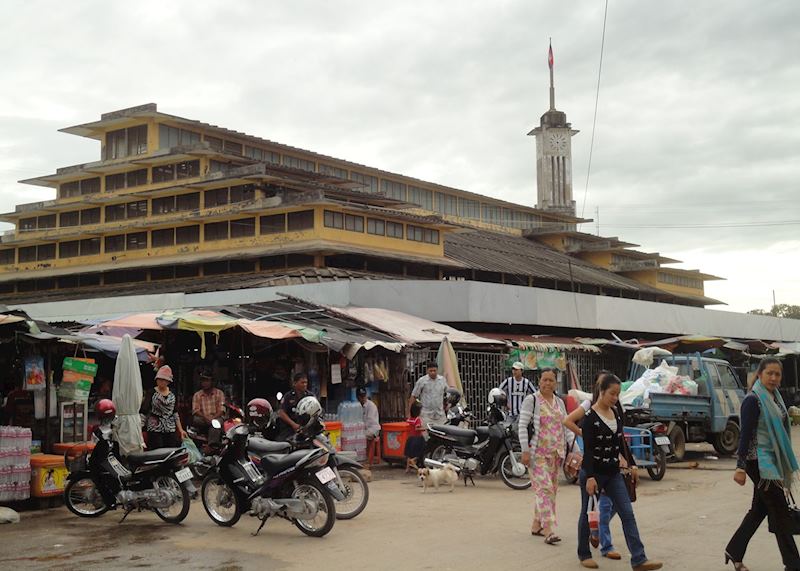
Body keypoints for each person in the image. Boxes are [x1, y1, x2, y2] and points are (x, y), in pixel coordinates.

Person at [577, 372, 662, 571]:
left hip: (613, 472)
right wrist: (589, 476)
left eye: (617, 394)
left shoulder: (615, 413)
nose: (615, 398)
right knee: (587, 513)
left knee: (627, 513)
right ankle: (584, 553)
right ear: (602, 392)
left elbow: (621, 441)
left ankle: (639, 559)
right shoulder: (590, 418)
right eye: (612, 394)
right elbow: (588, 450)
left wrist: (632, 465)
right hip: (593, 473)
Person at [725, 357, 800, 571]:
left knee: (759, 510)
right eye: (770, 373)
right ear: (760, 374)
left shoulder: (775, 397)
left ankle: (734, 550)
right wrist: (740, 466)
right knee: (780, 511)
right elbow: (745, 434)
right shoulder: (753, 399)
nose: (774, 378)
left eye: (777, 374)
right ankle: (794, 564)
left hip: (772, 461)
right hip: (758, 462)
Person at [563, 370, 633, 561]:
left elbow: (618, 436)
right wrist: (585, 434)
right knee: (590, 509)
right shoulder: (589, 407)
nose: (614, 395)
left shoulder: (616, 407)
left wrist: (625, 458)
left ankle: (605, 542)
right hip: (593, 464)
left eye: (616, 391)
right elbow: (567, 420)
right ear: (599, 388)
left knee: (615, 507)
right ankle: (587, 549)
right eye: (609, 389)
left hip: (612, 466)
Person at [518, 368, 572, 545]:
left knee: (550, 491)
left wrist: (575, 450)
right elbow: (522, 426)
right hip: (537, 455)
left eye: (551, 380)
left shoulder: (559, 403)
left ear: (556, 383)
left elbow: (566, 427)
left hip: (556, 454)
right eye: (545, 380)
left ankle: (536, 525)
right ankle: (548, 529)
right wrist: (525, 450)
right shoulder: (532, 400)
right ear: (539, 381)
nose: (548, 383)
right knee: (545, 489)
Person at [143, 365, 187, 449]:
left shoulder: (172, 393)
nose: (161, 381)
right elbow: (144, 411)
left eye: (164, 380)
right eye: (159, 379)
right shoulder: (151, 392)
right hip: (154, 428)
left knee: (171, 451)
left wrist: (181, 430)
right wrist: (139, 428)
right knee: (157, 451)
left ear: (168, 381)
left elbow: (175, 412)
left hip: (170, 428)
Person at [408, 362, 448, 434]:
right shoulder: (422, 381)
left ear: (437, 370)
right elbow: (413, 396)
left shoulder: (442, 380)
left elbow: (448, 393)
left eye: (434, 371)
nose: (433, 373)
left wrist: (448, 405)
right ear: (427, 371)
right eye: (431, 371)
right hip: (426, 416)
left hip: (440, 416)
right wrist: (410, 414)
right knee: (427, 437)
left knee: (442, 436)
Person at [277, 372, 315, 438]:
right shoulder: (288, 396)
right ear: (295, 383)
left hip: (306, 428)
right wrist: (293, 424)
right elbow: (281, 412)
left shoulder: (310, 396)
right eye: (302, 382)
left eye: (306, 382)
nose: (305, 385)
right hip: (290, 428)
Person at [192, 369, 225, 435]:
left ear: (212, 382)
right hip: (202, 418)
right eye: (203, 381)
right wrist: (206, 417)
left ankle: (213, 444)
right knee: (196, 420)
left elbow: (222, 410)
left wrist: (212, 418)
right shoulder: (197, 395)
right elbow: (195, 410)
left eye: (207, 381)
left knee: (216, 423)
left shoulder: (219, 393)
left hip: (216, 417)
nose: (205, 383)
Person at [357, 387, 381, 466]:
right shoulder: (359, 406)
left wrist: (361, 429)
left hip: (373, 429)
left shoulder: (371, 406)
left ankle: (368, 461)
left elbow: (370, 422)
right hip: (365, 428)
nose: (362, 398)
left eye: (363, 396)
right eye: (361, 397)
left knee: (363, 437)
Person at [404, 401, 425, 472]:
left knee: (409, 454)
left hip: (410, 438)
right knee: (419, 452)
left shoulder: (410, 419)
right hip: (418, 438)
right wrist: (425, 429)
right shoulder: (417, 419)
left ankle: (407, 468)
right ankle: (413, 461)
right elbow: (417, 428)